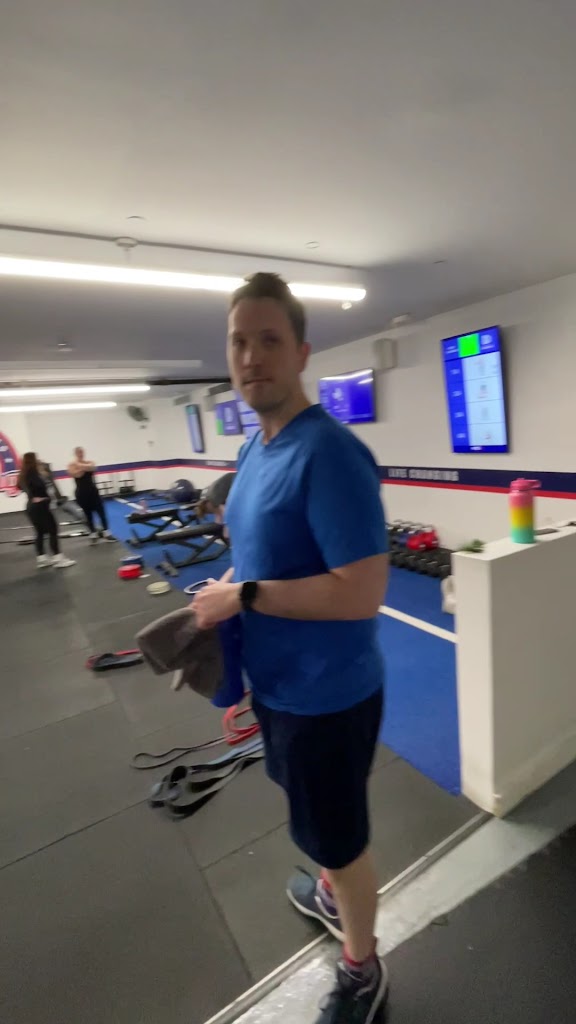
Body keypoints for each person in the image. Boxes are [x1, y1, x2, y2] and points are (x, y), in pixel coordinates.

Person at [192, 273, 390, 1023]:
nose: (252, 356)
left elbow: (361, 591)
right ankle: (334, 892)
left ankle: (363, 969)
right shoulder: (254, 449)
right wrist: (224, 598)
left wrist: (242, 596)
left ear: (302, 352)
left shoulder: (329, 455)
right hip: (278, 690)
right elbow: (259, 559)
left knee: (339, 837)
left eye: (269, 340)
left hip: (328, 699)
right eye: (239, 341)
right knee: (316, 820)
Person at [17, 452, 76, 569]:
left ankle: (42, 558)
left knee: (39, 532)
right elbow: (40, 486)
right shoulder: (33, 473)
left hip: (31, 506)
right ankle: (58, 558)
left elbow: (20, 486)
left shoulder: (23, 474)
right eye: (36, 458)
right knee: (53, 530)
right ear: (33, 460)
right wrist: (45, 496)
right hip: (40, 506)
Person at [67, 447, 115, 543]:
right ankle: (93, 534)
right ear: (76, 453)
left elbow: (93, 467)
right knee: (88, 515)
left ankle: (106, 533)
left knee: (101, 513)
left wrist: (79, 466)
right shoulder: (71, 465)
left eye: (82, 452)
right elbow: (76, 475)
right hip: (81, 493)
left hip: (93, 492)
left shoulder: (86, 462)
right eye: (79, 452)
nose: (81, 454)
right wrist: (85, 468)